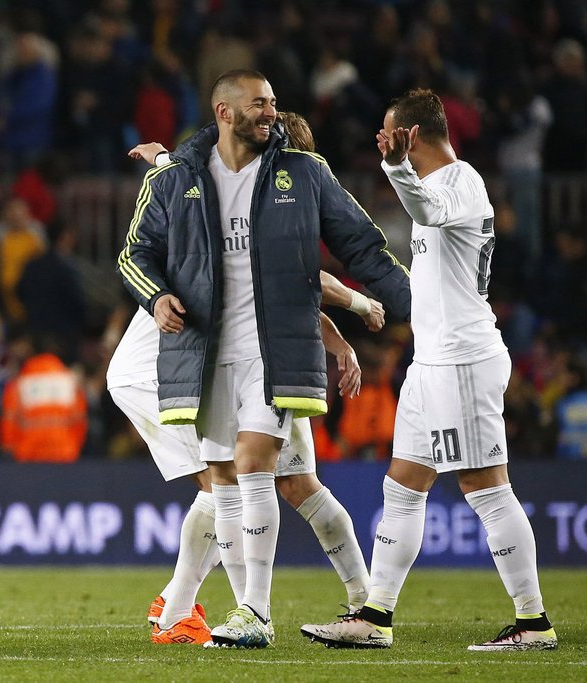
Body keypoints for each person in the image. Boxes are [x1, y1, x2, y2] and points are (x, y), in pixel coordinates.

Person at [116, 69, 411, 648]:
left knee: (255, 468)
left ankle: (250, 610)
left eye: (274, 103)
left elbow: (344, 253)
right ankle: (188, 608)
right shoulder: (181, 178)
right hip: (195, 359)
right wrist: (156, 297)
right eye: (259, 104)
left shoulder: (303, 174)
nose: (270, 112)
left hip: (272, 355)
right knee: (229, 478)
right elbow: (138, 251)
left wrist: (413, 307)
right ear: (225, 113)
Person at [300, 89, 557, 651]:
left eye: (391, 137)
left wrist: (394, 167)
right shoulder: (442, 187)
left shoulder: (456, 182)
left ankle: (534, 622)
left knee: (485, 488)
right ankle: (374, 617)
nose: (385, 146)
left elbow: (426, 211)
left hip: (461, 359)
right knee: (402, 488)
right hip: (434, 359)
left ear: (411, 136)